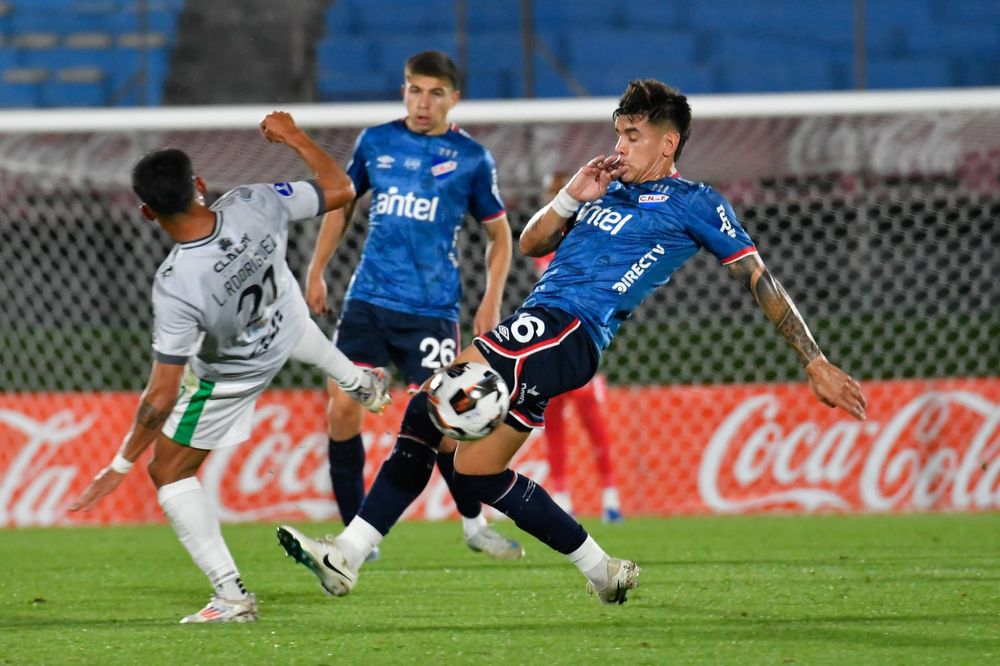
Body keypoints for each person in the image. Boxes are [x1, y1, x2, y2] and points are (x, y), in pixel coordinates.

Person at [277, 79, 867, 605]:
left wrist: (813, 360)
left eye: (633, 136)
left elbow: (758, 277)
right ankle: (601, 568)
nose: (620, 147)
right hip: (543, 327)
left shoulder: (696, 204)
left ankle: (347, 554)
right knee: (480, 472)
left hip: (570, 329)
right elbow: (533, 244)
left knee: (428, 403)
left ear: (668, 144)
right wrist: (571, 196)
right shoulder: (607, 189)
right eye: (617, 133)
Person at [69, 112, 391, 624]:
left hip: (236, 372)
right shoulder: (251, 201)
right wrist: (292, 137)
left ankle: (232, 597)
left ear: (148, 214)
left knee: (168, 470)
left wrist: (121, 464)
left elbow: (160, 396)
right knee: (285, 306)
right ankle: (360, 381)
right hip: (285, 324)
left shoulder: (175, 283)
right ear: (199, 185)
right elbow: (342, 188)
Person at [304, 50, 522, 560]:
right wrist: (315, 270)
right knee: (341, 409)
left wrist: (490, 300)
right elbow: (341, 206)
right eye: (414, 90)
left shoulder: (471, 159)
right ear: (404, 90)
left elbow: (500, 235)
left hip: (431, 309)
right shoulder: (376, 142)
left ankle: (474, 525)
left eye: (435, 92)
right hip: (368, 300)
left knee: (446, 427)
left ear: (454, 98)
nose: (423, 103)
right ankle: (356, 534)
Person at [534, 172, 622, 523]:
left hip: (579, 342)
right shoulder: (550, 241)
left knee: (593, 423)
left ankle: (610, 495)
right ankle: (562, 496)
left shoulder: (586, 237)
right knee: (554, 423)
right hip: (554, 346)